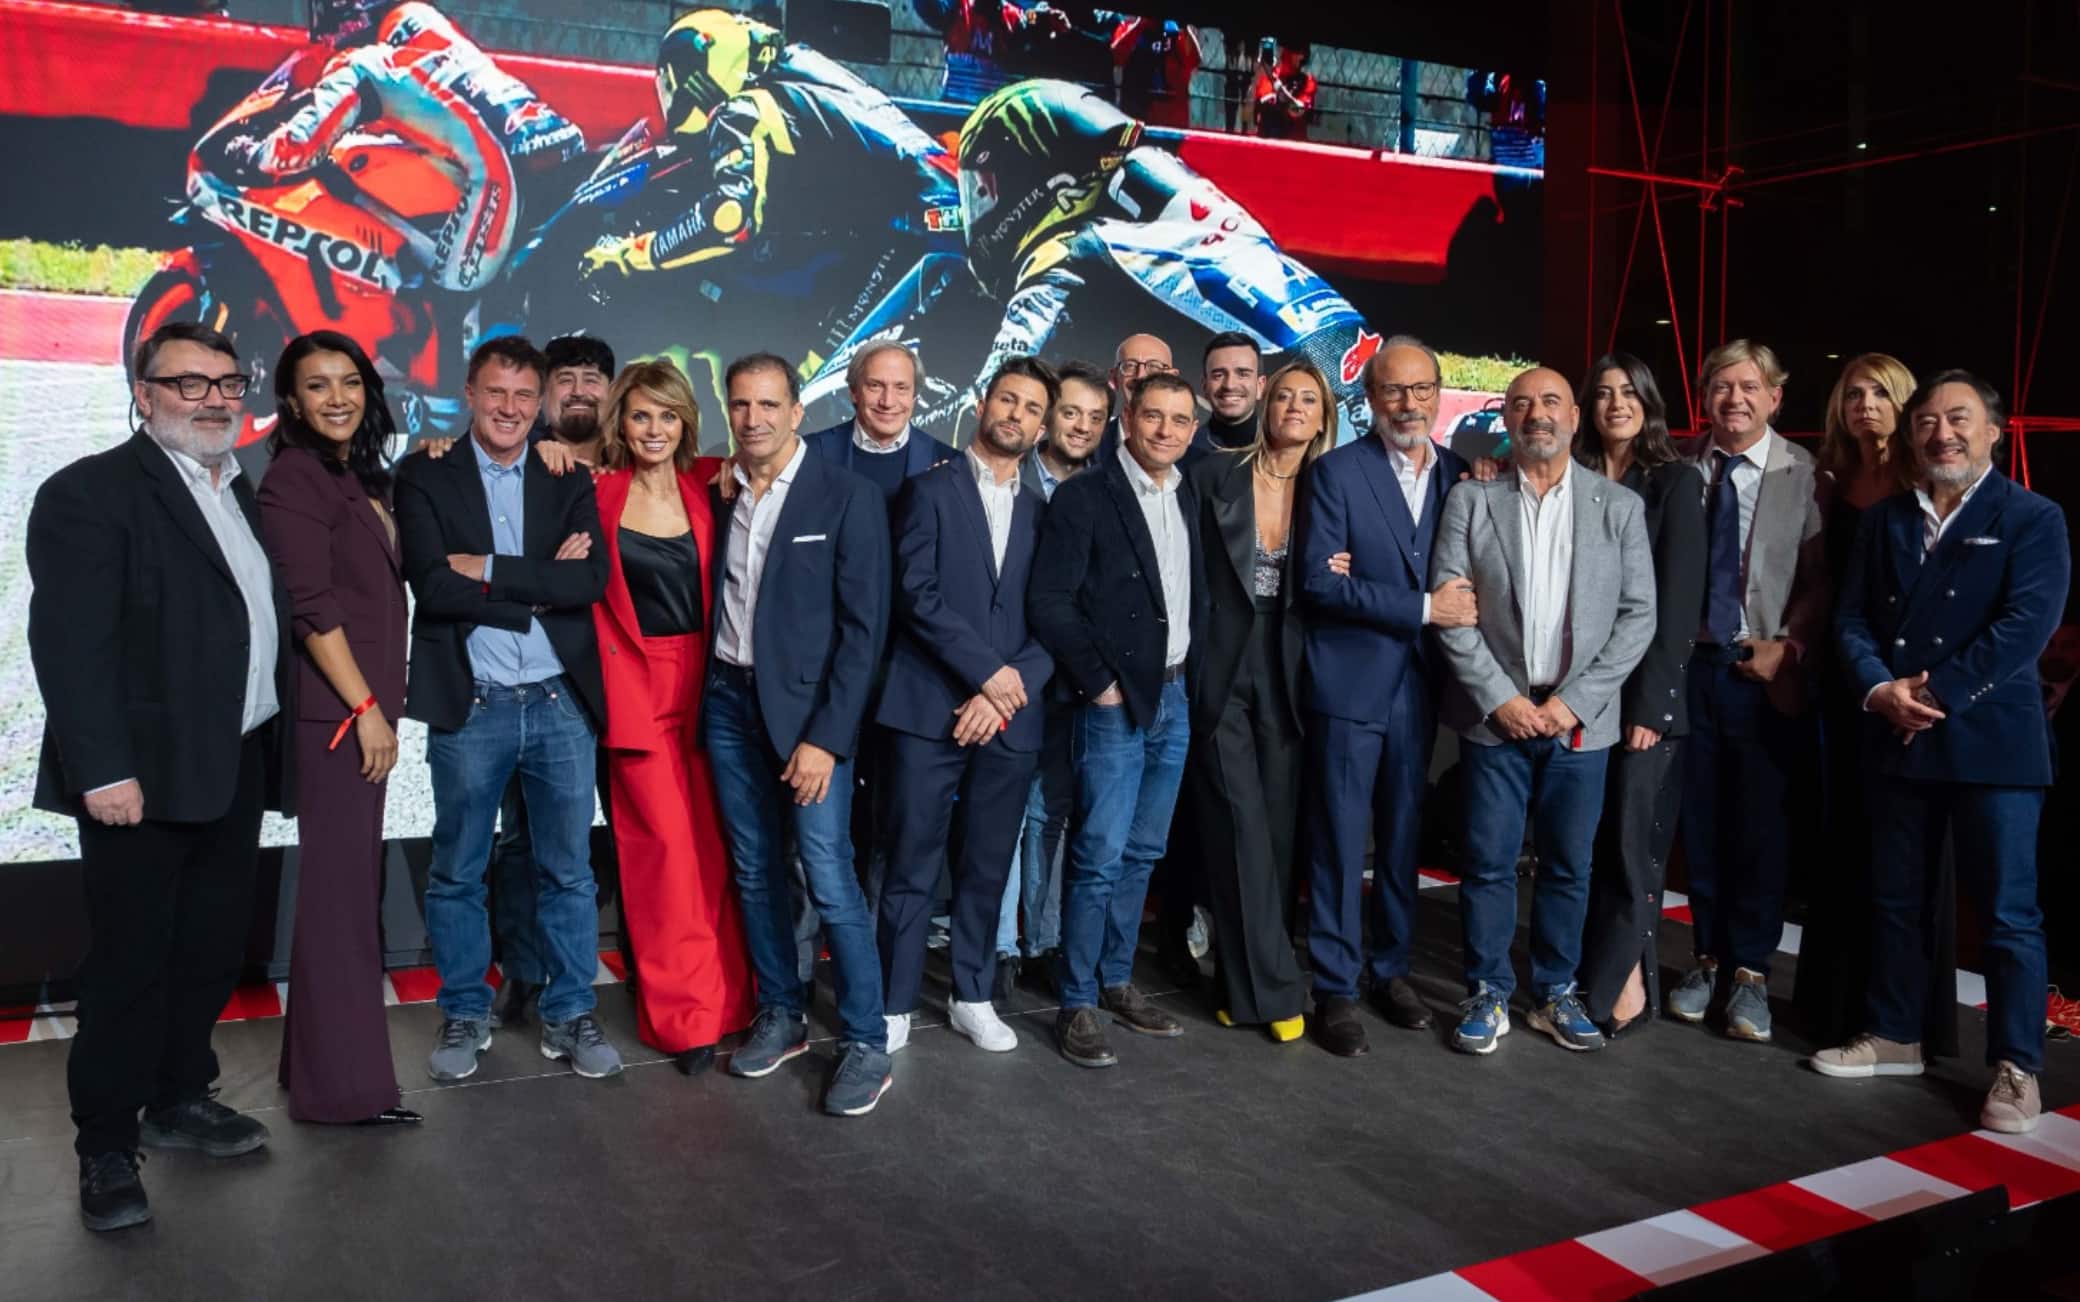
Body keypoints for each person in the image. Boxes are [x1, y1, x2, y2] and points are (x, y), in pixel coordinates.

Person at [29, 322, 294, 1232]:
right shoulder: (89, 493)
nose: (214, 399)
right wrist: (102, 770)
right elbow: (70, 647)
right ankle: (105, 1146)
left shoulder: (235, 485)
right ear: (144, 394)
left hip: (232, 761)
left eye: (227, 382)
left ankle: (179, 1096)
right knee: (129, 966)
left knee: (208, 949)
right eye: (189, 383)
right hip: (138, 782)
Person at [1813, 370, 2070, 1135]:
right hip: (1897, 730)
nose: (1942, 433)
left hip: (1995, 740)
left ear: (1993, 431)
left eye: (1958, 419)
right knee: (1898, 896)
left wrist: (1935, 694)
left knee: (2008, 912)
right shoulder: (1886, 519)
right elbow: (1850, 620)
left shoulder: (2033, 516)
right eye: (1926, 420)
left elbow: (2026, 625)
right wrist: (1878, 689)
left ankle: (2017, 1065)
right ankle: (1896, 1034)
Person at [394, 335, 624, 1084]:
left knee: (569, 873)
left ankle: (570, 1012)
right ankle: (465, 1011)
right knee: (458, 872)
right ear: (470, 392)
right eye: (496, 392)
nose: (510, 408)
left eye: (525, 395)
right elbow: (434, 586)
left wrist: (489, 569)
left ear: (540, 402)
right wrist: (534, 587)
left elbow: (586, 582)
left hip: (559, 703)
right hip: (473, 704)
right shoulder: (424, 472)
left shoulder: (565, 474)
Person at [1429, 366, 1655, 1055]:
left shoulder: (1619, 507)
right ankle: (1488, 991)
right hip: (1493, 718)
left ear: (1575, 417)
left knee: (1568, 867)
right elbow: (1452, 610)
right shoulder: (1472, 501)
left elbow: (1638, 617)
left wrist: (1571, 705)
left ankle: (1556, 991)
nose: (1537, 414)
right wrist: (1499, 698)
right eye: (1522, 403)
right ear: (1506, 418)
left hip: (1578, 723)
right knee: (1488, 864)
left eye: (1551, 401)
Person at [701, 353, 894, 1117]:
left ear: (796, 411)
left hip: (811, 721)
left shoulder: (846, 495)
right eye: (741, 405)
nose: (753, 419)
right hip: (728, 703)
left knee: (827, 874)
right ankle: (781, 1012)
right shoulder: (722, 490)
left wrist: (827, 739)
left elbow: (863, 632)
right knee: (755, 869)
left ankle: (867, 1041)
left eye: (768, 405)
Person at [255, 331, 417, 1126]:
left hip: (355, 712)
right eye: (317, 386)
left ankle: (313, 1071)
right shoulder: (294, 477)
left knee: (339, 892)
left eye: (349, 382)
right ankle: (344, 1091)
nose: (338, 398)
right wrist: (364, 710)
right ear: (291, 400)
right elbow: (312, 609)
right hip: (338, 718)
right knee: (342, 898)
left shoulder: (353, 472)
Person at [876, 357, 1057, 1053]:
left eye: (1032, 408)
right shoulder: (928, 490)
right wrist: (986, 676)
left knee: (986, 865)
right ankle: (893, 1001)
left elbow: (1055, 615)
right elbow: (914, 594)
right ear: (983, 404)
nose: (1017, 415)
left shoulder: (1043, 512)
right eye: (1008, 400)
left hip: (1009, 716)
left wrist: (1005, 691)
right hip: (931, 707)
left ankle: (972, 994)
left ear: (1042, 427)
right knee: (911, 861)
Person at [1297, 338, 1471, 1058]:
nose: (1409, 403)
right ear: (1370, 399)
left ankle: (1390, 970)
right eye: (1394, 391)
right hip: (1350, 681)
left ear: (1438, 394)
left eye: (1421, 389)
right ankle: (1335, 986)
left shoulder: (1462, 474)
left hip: (1422, 684)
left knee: (1403, 835)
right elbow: (1320, 583)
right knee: (1341, 841)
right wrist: (1424, 607)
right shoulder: (1336, 473)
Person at [1029, 370, 1206, 1068]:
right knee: (1099, 855)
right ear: (1126, 420)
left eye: (1179, 420)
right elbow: (1050, 601)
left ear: (1192, 430)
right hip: (1113, 703)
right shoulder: (1086, 495)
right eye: (1153, 416)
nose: (1166, 430)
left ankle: (1115, 979)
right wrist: (1099, 683)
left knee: (1143, 853)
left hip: (1175, 698)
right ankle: (1077, 999)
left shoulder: (1189, 492)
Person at [589, 359, 758, 1076]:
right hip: (636, 691)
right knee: (663, 860)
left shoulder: (713, 482)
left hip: (713, 687)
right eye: (640, 415)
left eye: (667, 415)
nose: (654, 429)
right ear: (621, 423)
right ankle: (685, 1020)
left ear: (686, 422)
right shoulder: (594, 492)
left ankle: (733, 1005)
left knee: (717, 853)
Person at [1794, 353, 1959, 1050]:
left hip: (1913, 683)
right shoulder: (1829, 478)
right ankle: (1833, 1008)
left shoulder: (1929, 485)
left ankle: (1903, 1019)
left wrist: (1917, 685)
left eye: (1880, 394)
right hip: (1843, 678)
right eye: (1854, 393)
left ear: (1904, 405)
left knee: (1905, 852)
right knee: (1842, 839)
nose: (1865, 405)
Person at [1668, 340, 1829, 1043]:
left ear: (1775, 397)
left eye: (1749, 386)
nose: (1734, 398)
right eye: (1721, 386)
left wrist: (1789, 646)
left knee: (1760, 829)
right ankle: (1706, 958)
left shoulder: (1807, 475)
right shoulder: (1679, 468)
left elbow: (1822, 581)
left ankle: (1752, 974)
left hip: (1761, 673)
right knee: (1700, 824)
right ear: (1704, 396)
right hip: (1689, 669)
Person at [216, 0, 584, 294]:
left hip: (506, 168)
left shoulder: (361, 62)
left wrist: (247, 153)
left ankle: (451, 358)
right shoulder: (421, 26)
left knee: (452, 286)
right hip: (553, 145)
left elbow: (296, 148)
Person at [1186, 360, 1336, 1040]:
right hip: (1220, 664)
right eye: (1284, 397)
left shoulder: (1334, 488)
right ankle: (1276, 994)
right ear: (1264, 406)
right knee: (1239, 826)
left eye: (1309, 399)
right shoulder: (1213, 474)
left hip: (1296, 669)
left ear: (1323, 415)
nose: (1294, 407)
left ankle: (1236, 985)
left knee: (1275, 835)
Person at [486, 330, 619, 1031]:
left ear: (611, 390)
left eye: (591, 378)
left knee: (630, 836)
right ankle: (524, 970)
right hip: (541, 684)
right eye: (563, 378)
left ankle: (644, 965)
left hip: (629, 688)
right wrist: (546, 578)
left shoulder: (642, 459)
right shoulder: (520, 464)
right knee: (522, 838)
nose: (578, 390)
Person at [1571, 354, 1707, 1036]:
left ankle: (1621, 984)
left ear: (1649, 403)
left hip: (1642, 700)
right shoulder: (1571, 475)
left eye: (1629, 392)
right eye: (1603, 393)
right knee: (1588, 842)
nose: (1616, 403)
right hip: (1576, 691)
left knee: (1631, 845)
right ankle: (1605, 972)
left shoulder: (1675, 481)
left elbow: (1678, 605)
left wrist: (1652, 707)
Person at [998, 359, 1110, 989]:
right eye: (1071, 412)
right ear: (1046, 417)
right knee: (1005, 812)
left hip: (1071, 679)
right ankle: (999, 946)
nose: (1082, 426)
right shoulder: (1010, 476)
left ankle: (1040, 943)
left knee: (1051, 812)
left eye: (1096, 418)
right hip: (1006, 672)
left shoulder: (1105, 489)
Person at [804, 341, 954, 497]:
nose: (887, 402)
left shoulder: (951, 463)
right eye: (875, 386)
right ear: (854, 392)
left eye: (901, 388)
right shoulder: (807, 453)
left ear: (914, 397)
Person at [1112, 17, 1200, 128]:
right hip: (1135, 114)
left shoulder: (1176, 32)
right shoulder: (1129, 26)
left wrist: (1184, 28)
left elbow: (1193, 61)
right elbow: (1117, 56)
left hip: (1170, 118)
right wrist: (1141, 23)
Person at [1250, 40, 1316, 141]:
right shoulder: (1267, 78)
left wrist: (1277, 86)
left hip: (1292, 142)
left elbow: (1298, 111)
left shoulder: (1307, 82)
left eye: (1303, 53)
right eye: (1297, 52)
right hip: (1267, 141)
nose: (1301, 57)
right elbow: (1260, 106)